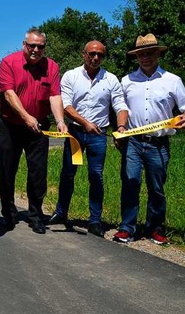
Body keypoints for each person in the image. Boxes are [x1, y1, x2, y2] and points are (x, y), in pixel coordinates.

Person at [113, 34, 185, 245]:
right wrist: (120, 128)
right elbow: (120, 108)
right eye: (141, 54)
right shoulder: (127, 81)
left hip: (159, 143)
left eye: (150, 53)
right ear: (136, 57)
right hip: (132, 141)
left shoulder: (173, 80)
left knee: (157, 187)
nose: (145, 58)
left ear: (158, 54)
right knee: (130, 183)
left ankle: (155, 229)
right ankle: (127, 228)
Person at [48, 40, 129, 237]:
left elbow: (120, 105)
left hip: (98, 135)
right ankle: (61, 212)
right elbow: (66, 105)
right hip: (75, 132)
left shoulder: (110, 79)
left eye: (100, 55)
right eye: (92, 54)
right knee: (68, 173)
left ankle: (95, 220)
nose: (95, 58)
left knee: (96, 176)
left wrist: (121, 127)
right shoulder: (71, 76)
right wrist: (84, 123)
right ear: (83, 54)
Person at [0, 27, 67, 234]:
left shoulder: (52, 66)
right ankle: (8, 214)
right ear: (24, 45)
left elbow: (55, 95)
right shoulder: (9, 62)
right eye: (32, 45)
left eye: (40, 46)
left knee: (38, 173)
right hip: (11, 125)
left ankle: (35, 215)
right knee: (7, 171)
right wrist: (27, 117)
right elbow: (9, 94)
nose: (36, 49)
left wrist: (60, 120)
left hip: (39, 128)